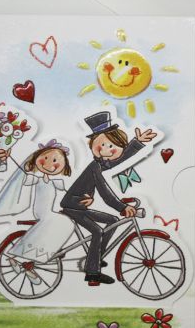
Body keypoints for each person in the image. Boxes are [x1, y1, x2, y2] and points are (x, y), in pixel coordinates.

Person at [61, 111, 157, 286]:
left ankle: (95, 257)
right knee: (97, 231)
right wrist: (122, 207)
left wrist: (137, 143)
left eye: (112, 145)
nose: (107, 149)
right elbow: (105, 193)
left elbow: (118, 159)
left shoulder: (100, 163)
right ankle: (92, 273)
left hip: (80, 206)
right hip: (72, 206)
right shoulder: (95, 167)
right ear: (93, 144)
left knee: (112, 221)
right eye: (102, 144)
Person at [0, 140, 74, 285]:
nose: (49, 164)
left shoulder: (55, 182)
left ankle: (35, 256)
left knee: (64, 221)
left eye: (55, 161)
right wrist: (15, 162)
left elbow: (68, 191)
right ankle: (27, 255)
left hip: (49, 211)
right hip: (42, 212)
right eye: (45, 158)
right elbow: (25, 176)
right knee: (64, 222)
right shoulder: (37, 179)